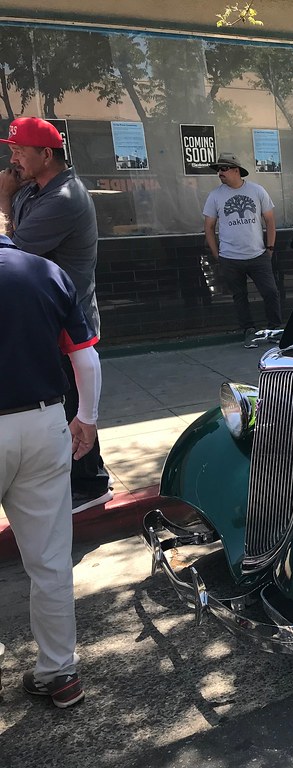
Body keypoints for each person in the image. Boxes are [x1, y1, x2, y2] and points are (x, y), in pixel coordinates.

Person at [0, 214, 101, 708]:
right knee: (50, 563)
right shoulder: (45, 272)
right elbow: (84, 356)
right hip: (43, 424)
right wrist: (87, 416)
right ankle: (60, 673)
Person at [0, 116, 111, 515]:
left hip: (70, 317)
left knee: (73, 400)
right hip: (47, 314)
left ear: (46, 154)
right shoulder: (33, 188)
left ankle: (91, 482)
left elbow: (12, 252)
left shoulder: (64, 198)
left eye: (19, 151)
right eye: (11, 149)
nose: (12, 158)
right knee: (66, 398)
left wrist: (3, 198)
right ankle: (80, 475)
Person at [202, 152, 281, 348]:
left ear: (236, 171)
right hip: (230, 258)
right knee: (240, 297)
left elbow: (270, 220)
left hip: (258, 254)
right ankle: (249, 331)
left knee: (271, 292)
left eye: (224, 168)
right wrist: (216, 253)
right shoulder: (215, 196)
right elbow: (209, 227)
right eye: (218, 169)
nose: (220, 172)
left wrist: (270, 247)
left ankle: (275, 329)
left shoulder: (257, 191)